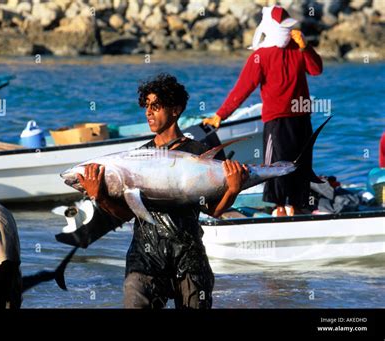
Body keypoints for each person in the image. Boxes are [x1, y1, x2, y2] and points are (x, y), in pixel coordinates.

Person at [77, 74, 248, 309]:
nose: (148, 112)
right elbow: (127, 214)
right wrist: (100, 196)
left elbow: (213, 211)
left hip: (188, 256)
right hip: (145, 257)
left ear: (176, 109)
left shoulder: (198, 153)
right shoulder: (137, 157)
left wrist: (233, 190)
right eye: (146, 106)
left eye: (155, 106)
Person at [203, 5, 323, 216]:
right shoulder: (260, 57)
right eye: (283, 27)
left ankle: (296, 206)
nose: (288, 31)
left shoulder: (297, 49)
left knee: (301, 165)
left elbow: (316, 70)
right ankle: (279, 208)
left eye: (290, 27)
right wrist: (221, 115)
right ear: (272, 28)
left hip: (302, 118)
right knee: (277, 165)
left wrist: (306, 47)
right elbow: (242, 89)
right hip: (277, 121)